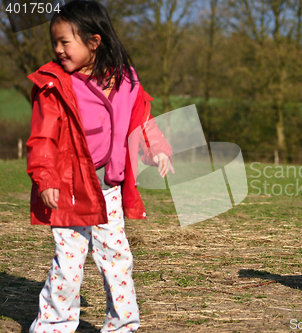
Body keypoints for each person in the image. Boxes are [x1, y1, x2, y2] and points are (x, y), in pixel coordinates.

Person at [26, 1, 174, 332]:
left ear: (94, 41)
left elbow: (142, 120)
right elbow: (43, 138)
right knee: (69, 263)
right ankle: (54, 325)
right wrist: (45, 178)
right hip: (69, 191)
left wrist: (158, 149)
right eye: (55, 42)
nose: (58, 49)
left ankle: (122, 325)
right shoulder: (54, 85)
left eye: (65, 41)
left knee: (118, 260)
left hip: (109, 191)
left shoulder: (126, 81)